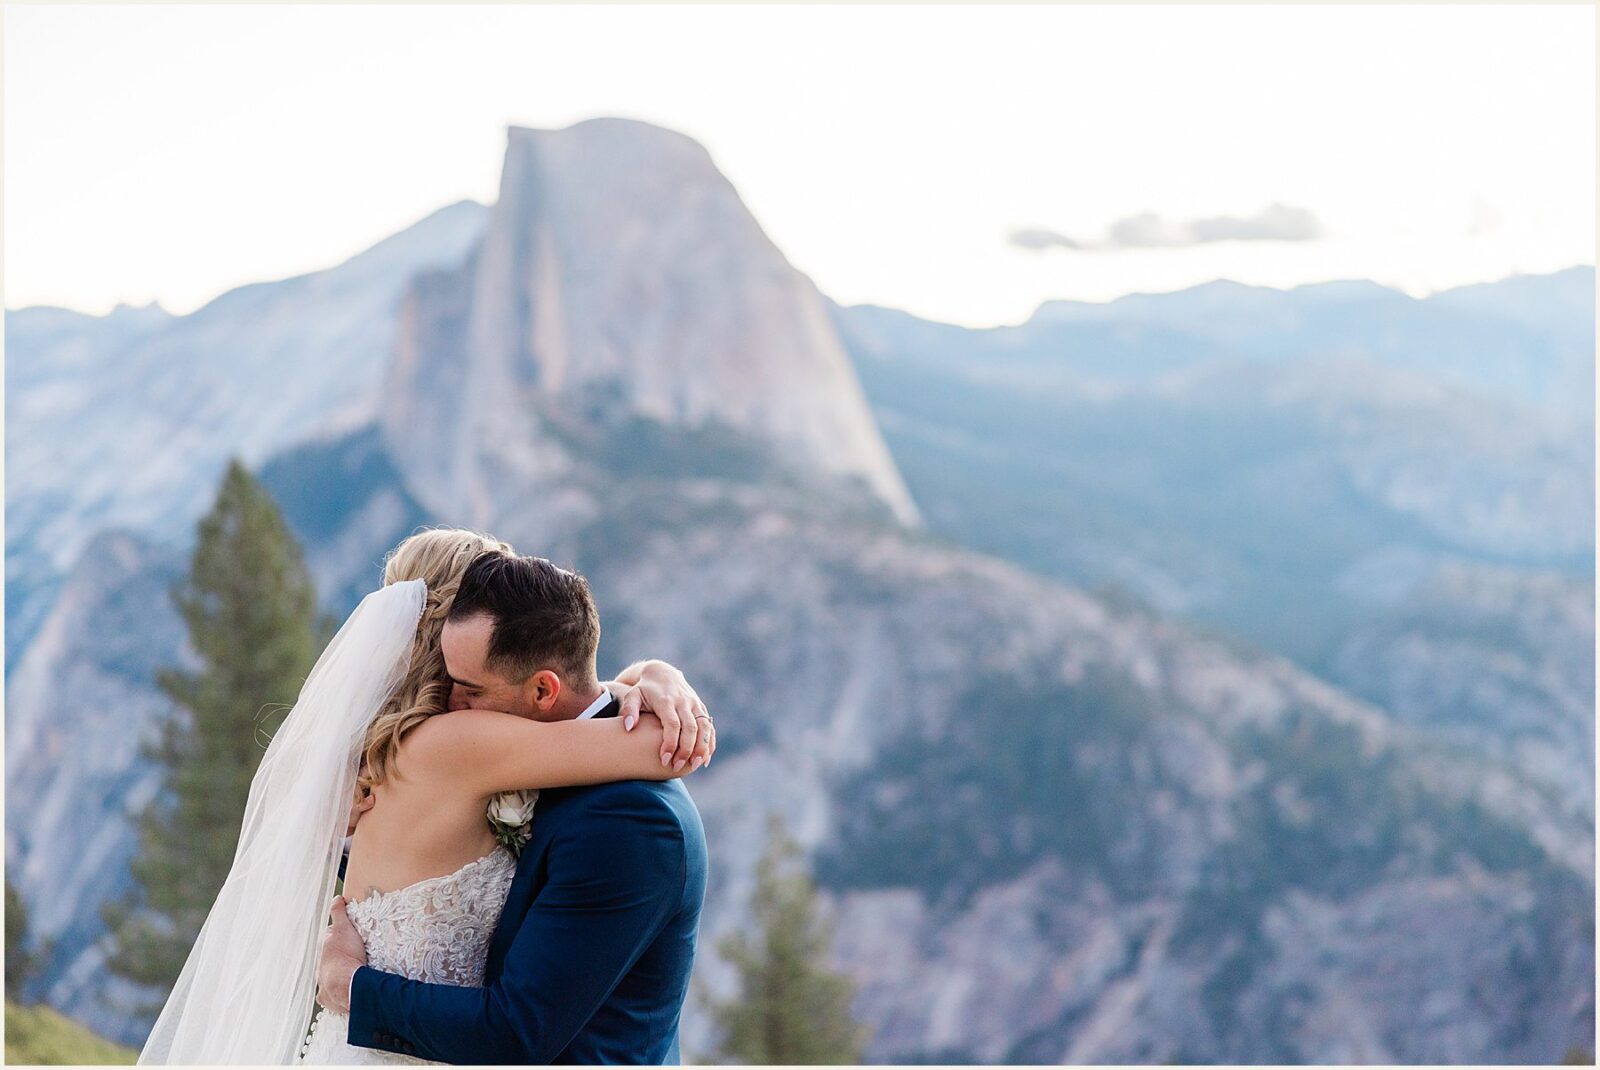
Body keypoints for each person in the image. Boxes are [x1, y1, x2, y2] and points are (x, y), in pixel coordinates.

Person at [137, 528, 713, 1064]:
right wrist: (658, 688)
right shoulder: (457, 744)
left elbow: (562, 706)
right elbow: (660, 744)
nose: (463, 699)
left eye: (474, 687)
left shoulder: (402, 755)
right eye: (460, 684)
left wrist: (646, 677)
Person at [312, 549, 709, 1064]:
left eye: (470, 689)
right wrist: (648, 677)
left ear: (544, 688)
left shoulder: (630, 820)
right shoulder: (507, 757)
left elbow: (517, 1031)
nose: (454, 703)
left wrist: (352, 986)